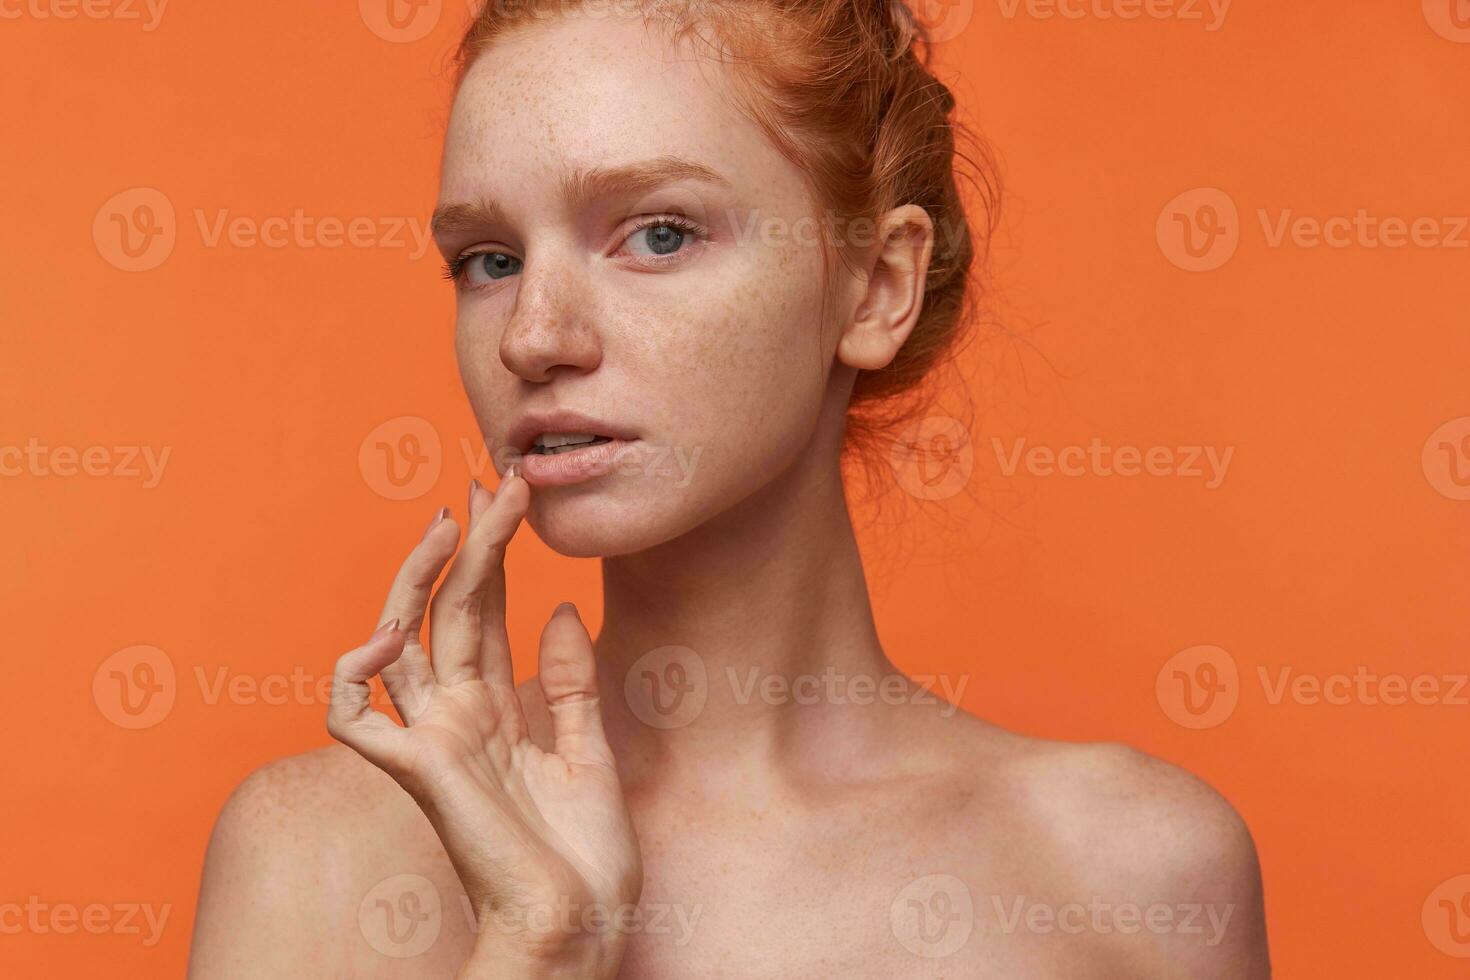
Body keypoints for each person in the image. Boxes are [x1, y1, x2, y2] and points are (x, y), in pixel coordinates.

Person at [189, 2, 1270, 976]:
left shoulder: (1133, 872)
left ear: (877, 284)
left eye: (658, 233)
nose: (533, 337)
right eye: (488, 258)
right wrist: (541, 946)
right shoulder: (314, 853)